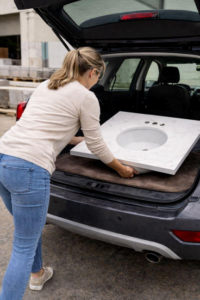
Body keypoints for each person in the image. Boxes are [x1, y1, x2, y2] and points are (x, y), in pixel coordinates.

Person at [0, 47, 139, 300]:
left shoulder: (46, 86)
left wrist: (73, 140)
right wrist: (122, 169)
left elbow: (44, 125)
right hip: (29, 167)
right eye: (99, 76)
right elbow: (96, 144)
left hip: (4, 157)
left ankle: (38, 274)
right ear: (94, 72)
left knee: (26, 230)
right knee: (23, 246)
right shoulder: (86, 97)